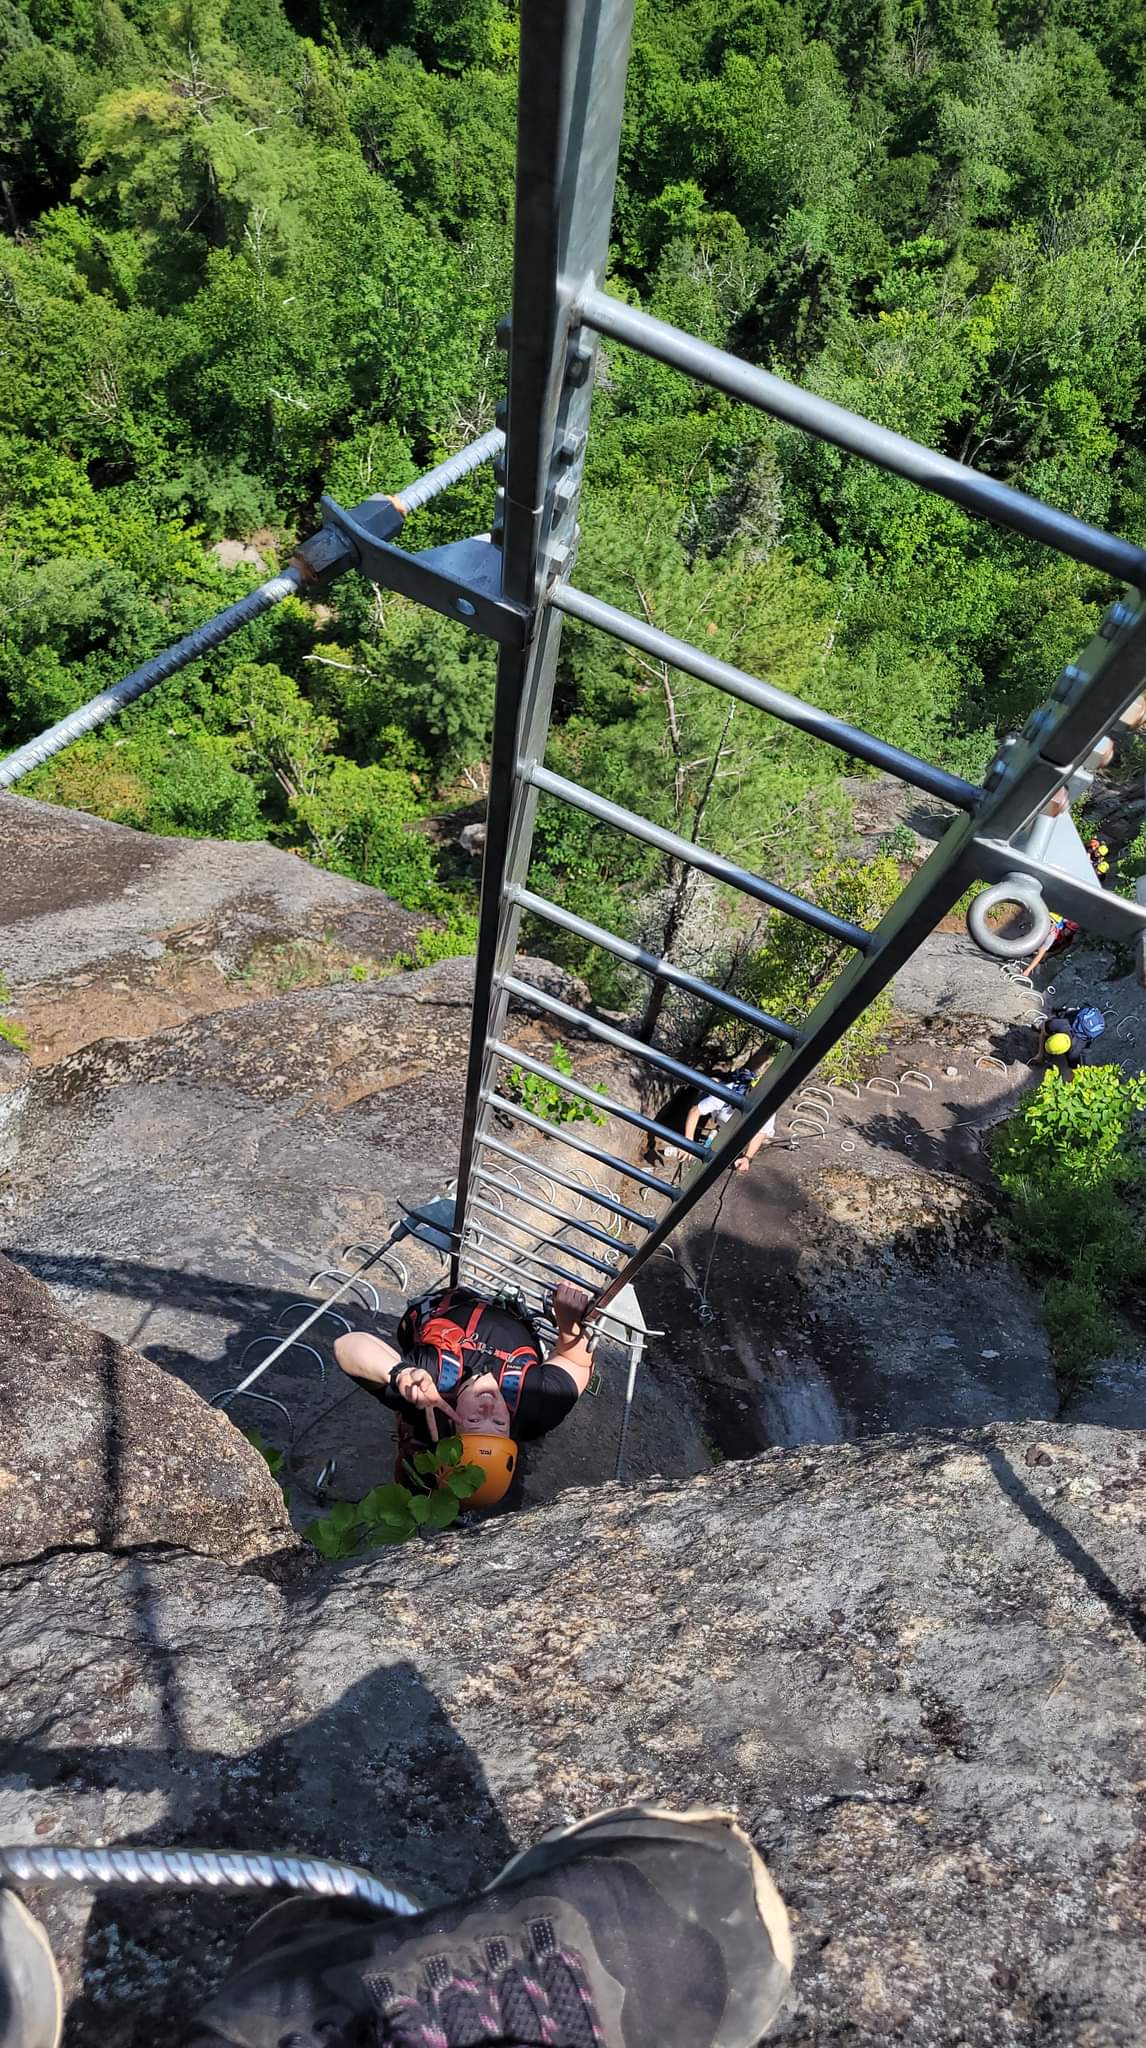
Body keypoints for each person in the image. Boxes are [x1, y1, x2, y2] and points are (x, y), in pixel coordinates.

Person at [0, 1806, 793, 2048]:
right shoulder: (498, 1399)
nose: (483, 1394)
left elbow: (565, 1393)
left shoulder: (540, 1398)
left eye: (493, 1392)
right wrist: (409, 1395)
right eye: (476, 1389)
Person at [333, 1280, 596, 1509]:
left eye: (473, 1422)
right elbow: (576, 1364)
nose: (489, 1409)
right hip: (517, 1320)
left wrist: (399, 1373)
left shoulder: (428, 1387)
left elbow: (346, 1346)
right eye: (499, 1423)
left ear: (451, 1420)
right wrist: (569, 1325)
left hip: (450, 1304)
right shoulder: (535, 1406)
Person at [683, 1068, 775, 1174]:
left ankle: (718, 1129)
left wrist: (747, 1157)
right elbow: (695, 1111)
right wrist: (688, 1142)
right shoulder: (727, 1094)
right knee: (708, 1087)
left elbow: (761, 1132)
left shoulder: (768, 1108)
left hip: (727, 1118)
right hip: (720, 1093)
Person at [1037, 1003, 1106, 1075]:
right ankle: (1069, 1010)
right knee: (1056, 1018)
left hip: (1085, 1032)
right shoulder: (1057, 1025)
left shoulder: (1074, 1053)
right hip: (1075, 1021)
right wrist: (1040, 1054)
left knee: (1085, 1051)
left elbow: (1072, 1072)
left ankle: (1070, 1010)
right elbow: (1043, 1029)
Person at [1018, 908, 1079, 981]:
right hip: (1037, 939)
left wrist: (1028, 970)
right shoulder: (1050, 928)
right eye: (1068, 929)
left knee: (1041, 953)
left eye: (1070, 931)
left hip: (1051, 946)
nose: (1068, 932)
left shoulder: (1057, 936)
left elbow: (1044, 953)